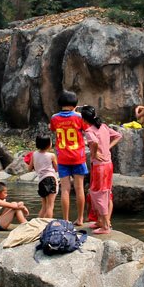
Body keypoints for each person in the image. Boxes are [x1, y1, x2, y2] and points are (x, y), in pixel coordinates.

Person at [50, 90, 90, 223]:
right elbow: (87, 128)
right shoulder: (79, 117)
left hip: (62, 158)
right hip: (78, 157)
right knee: (79, 188)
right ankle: (80, 219)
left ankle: (66, 220)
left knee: (65, 189)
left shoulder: (54, 118)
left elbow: (53, 129)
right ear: (75, 104)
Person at [81, 107, 121, 235]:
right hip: (108, 164)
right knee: (106, 193)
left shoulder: (89, 130)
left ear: (84, 119)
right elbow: (118, 135)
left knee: (98, 194)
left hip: (100, 167)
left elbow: (94, 141)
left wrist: (94, 152)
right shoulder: (103, 126)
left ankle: (105, 226)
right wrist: (107, 148)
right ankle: (102, 221)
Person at [24, 134, 59, 219]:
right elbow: (57, 169)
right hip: (50, 179)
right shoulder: (51, 155)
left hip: (41, 181)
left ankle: (39, 224)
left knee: (44, 206)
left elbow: (29, 169)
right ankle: (47, 225)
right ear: (48, 144)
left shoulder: (34, 154)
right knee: (50, 206)